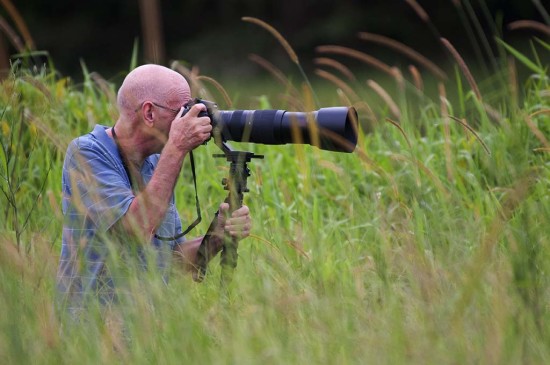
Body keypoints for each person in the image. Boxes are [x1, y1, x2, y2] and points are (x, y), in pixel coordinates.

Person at [56, 64, 251, 312]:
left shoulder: (157, 163)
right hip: (93, 333)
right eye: (182, 111)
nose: (190, 119)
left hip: (145, 337)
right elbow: (136, 229)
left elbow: (170, 261)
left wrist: (215, 238)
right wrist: (177, 147)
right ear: (149, 113)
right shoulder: (87, 153)